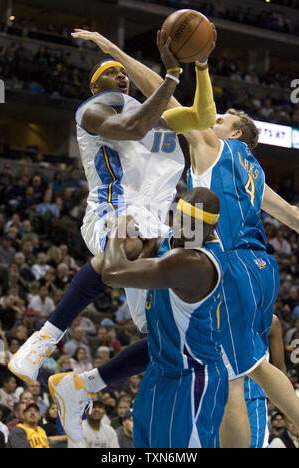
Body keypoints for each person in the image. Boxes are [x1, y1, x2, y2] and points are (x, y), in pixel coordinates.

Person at [70, 28, 299, 448]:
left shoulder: (211, 145)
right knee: (257, 366)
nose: (216, 117)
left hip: (224, 268)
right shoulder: (255, 171)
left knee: (229, 380)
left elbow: (159, 89)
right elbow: (294, 218)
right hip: (262, 269)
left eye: (225, 117)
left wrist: (115, 50)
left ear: (231, 134)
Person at [8, 29, 187, 387]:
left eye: (124, 72)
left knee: (174, 334)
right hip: (111, 212)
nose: (121, 76)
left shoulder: (162, 117)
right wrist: (170, 75)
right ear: (95, 87)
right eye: (110, 71)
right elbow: (133, 128)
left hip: (157, 223)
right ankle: (44, 338)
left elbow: (193, 120)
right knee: (131, 239)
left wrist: (195, 70)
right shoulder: (93, 109)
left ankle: (81, 388)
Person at [48, 188, 230, 448]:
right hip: (160, 369)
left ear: (211, 228)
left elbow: (112, 272)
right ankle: (81, 383)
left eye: (193, 227)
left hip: (194, 379)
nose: (183, 231)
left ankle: (80, 380)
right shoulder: (174, 240)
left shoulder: (195, 262)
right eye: (180, 222)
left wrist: (119, 229)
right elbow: (146, 247)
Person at [245, 315, 287, 448]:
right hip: (216, 396)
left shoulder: (271, 321)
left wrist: (279, 404)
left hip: (253, 399)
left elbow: (280, 370)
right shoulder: (212, 312)